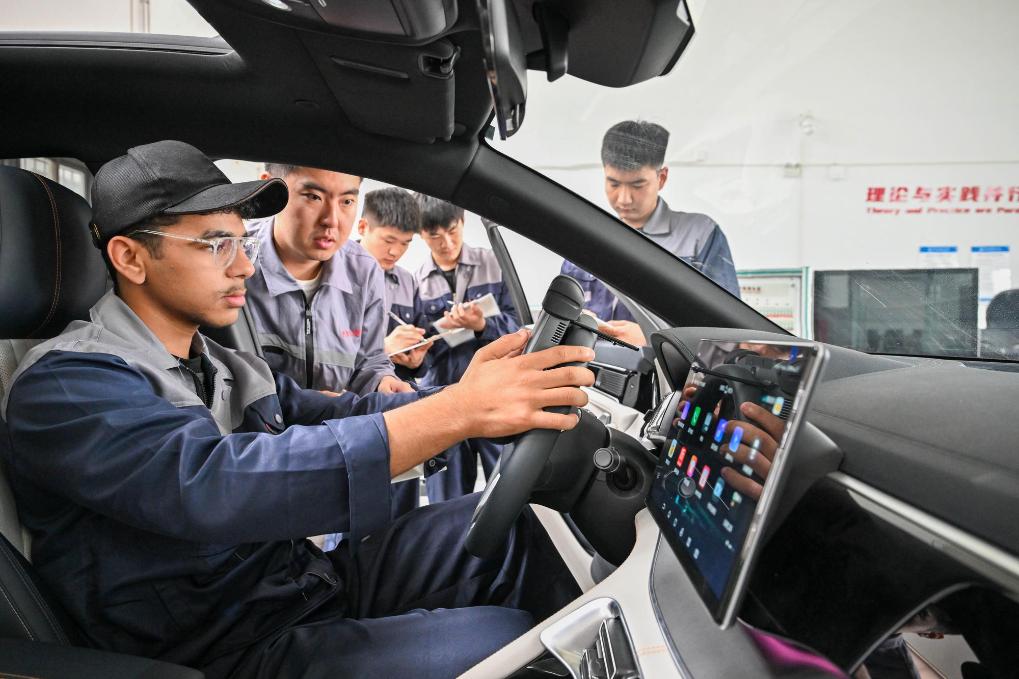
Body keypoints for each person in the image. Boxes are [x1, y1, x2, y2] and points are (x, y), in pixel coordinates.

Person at [1, 140, 594, 679]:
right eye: (217, 244)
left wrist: (472, 396)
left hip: (297, 585)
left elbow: (337, 413)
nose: (245, 265)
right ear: (131, 259)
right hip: (222, 645)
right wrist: (459, 412)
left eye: (240, 240)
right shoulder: (67, 386)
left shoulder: (220, 363)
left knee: (519, 530)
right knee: (508, 643)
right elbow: (216, 482)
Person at [563, 120, 741, 346]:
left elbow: (726, 331)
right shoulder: (588, 239)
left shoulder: (699, 236)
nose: (624, 198)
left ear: (662, 178)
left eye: (638, 185)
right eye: (614, 184)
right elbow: (564, 309)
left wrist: (655, 338)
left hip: (665, 374)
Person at [245, 163, 412, 396]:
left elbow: (370, 360)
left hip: (334, 427)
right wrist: (313, 406)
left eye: (346, 202)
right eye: (314, 197)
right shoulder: (233, 258)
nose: (332, 221)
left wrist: (382, 381)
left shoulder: (364, 270)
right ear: (268, 190)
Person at [414, 195, 520, 501]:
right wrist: (440, 332)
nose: (446, 242)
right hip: (444, 400)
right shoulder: (416, 282)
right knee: (444, 499)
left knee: (506, 491)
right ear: (421, 234)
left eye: (452, 230)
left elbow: (520, 327)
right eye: (434, 234)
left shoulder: (494, 263)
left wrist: (482, 326)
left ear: (462, 222)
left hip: (496, 395)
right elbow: (423, 359)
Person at [355, 186, 433, 520]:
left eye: (405, 243)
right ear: (362, 228)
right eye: (388, 240)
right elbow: (326, 355)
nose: (396, 252)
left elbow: (415, 341)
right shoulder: (335, 276)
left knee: (402, 507)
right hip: (354, 405)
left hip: (399, 405)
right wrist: (384, 349)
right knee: (357, 508)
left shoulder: (407, 282)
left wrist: (415, 360)